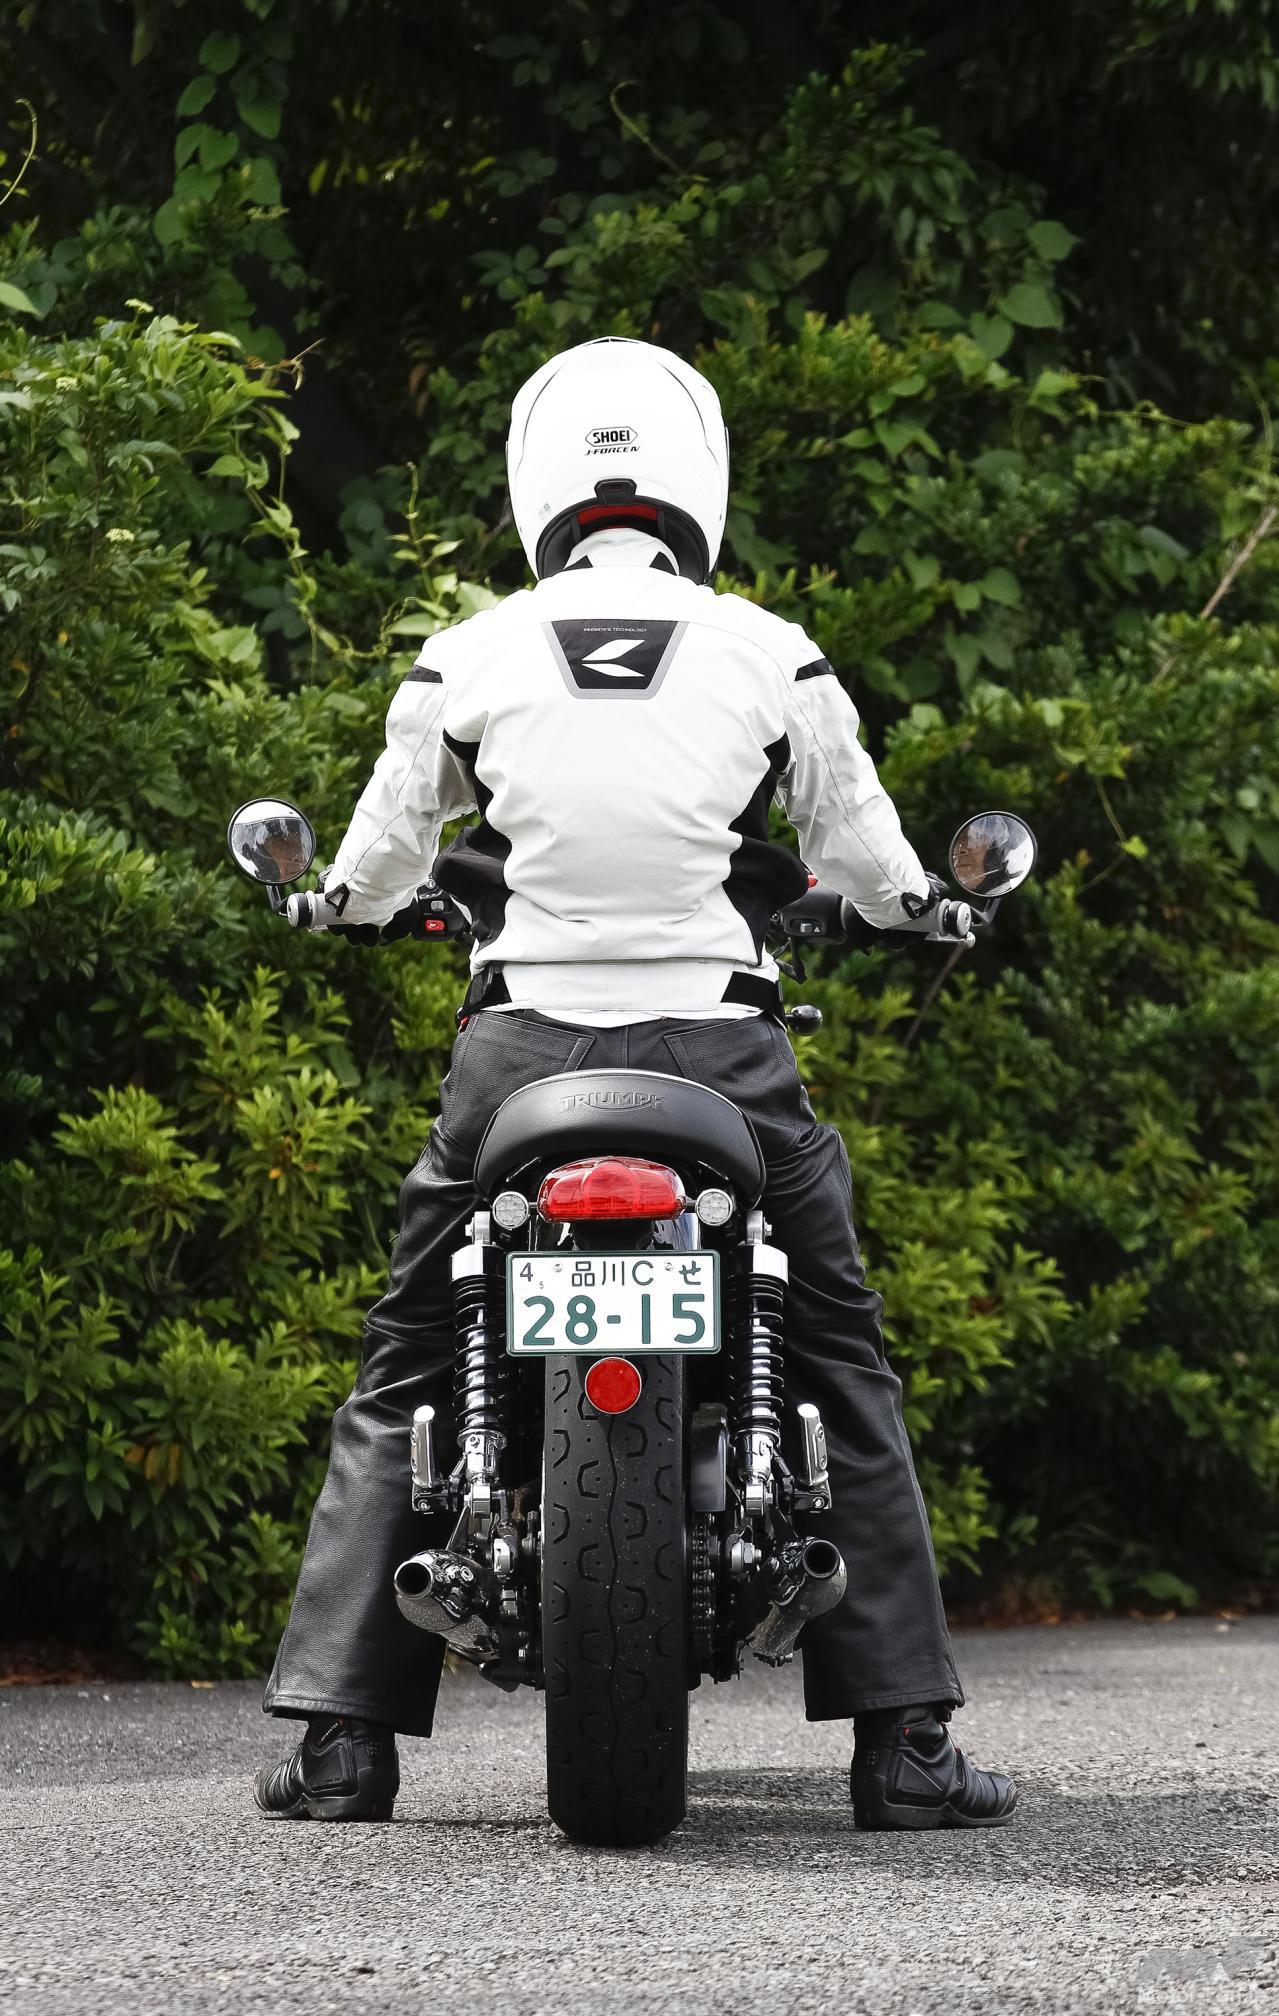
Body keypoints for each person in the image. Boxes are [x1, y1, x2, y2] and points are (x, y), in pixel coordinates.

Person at [254, 338, 1017, 1833]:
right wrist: (928, 903)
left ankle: (344, 1742)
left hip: (516, 1057)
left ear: (540, 488)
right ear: (694, 487)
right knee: (838, 1353)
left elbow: (384, 855)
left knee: (410, 1353)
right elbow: (860, 852)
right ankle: (906, 1750)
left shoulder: (469, 651)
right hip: (725, 1054)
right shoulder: (766, 647)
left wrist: (332, 900)